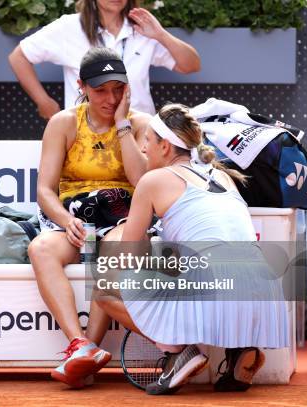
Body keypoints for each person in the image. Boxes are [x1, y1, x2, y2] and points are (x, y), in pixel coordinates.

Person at [95, 103, 289, 395]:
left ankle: (179, 350)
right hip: (264, 288)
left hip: (210, 279)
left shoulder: (152, 181)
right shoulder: (225, 177)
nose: (144, 149)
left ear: (164, 146)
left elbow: (129, 255)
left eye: (147, 141)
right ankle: (240, 350)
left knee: (105, 290)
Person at [27, 47, 150, 389]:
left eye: (118, 89)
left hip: (123, 217)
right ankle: (79, 344)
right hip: (75, 219)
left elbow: (142, 182)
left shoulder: (141, 124)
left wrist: (123, 124)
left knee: (113, 250)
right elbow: (45, 191)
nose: (111, 98)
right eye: (100, 90)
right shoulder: (64, 123)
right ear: (81, 86)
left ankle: (88, 356)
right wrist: (66, 221)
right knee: (41, 249)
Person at [8, 0, 201, 119]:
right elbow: (19, 57)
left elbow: (191, 65)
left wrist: (160, 34)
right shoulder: (69, 26)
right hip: (87, 135)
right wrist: (44, 103)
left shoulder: (142, 28)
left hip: (139, 132)